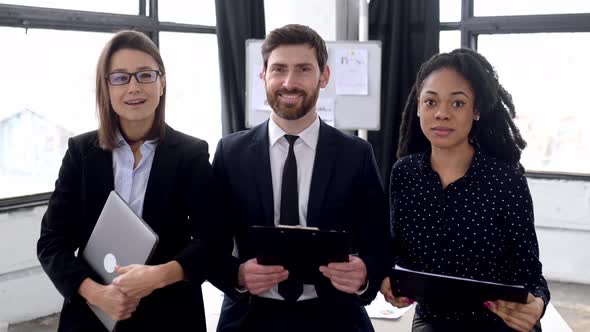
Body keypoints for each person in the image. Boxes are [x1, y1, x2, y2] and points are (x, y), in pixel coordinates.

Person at [207, 24, 390, 332]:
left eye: (303, 69)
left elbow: (380, 244)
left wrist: (365, 274)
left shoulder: (356, 154)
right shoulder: (231, 152)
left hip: (336, 318)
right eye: (278, 69)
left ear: (324, 76)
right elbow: (209, 244)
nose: (289, 82)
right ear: (263, 75)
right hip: (250, 318)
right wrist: (236, 275)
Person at [37, 30, 217, 331]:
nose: (134, 87)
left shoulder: (191, 154)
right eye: (120, 77)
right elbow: (51, 242)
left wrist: (160, 275)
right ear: (105, 88)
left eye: (145, 75)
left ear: (162, 82)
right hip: (93, 313)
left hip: (170, 312)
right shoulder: (81, 153)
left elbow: (214, 240)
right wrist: (97, 294)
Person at [380, 48, 550, 332]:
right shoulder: (405, 173)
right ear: (419, 107)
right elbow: (400, 256)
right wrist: (390, 281)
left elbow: (531, 274)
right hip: (433, 320)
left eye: (457, 104)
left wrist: (537, 304)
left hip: (499, 323)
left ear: (477, 110)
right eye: (431, 102)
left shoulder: (506, 180)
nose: (442, 114)